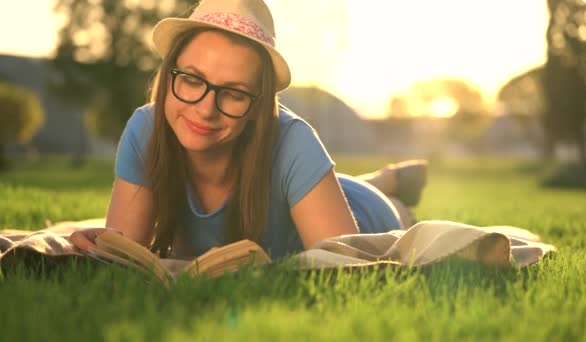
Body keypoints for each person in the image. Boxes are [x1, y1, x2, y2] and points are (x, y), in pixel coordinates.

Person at [69, 0, 427, 259]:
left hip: (367, 212)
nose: (205, 109)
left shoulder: (294, 141)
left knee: (363, 196)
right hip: (305, 187)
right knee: (328, 182)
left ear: (258, 104)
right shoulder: (145, 130)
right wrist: (103, 247)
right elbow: (127, 251)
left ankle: (388, 188)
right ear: (169, 72)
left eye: (235, 93)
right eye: (192, 80)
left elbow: (345, 262)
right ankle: (385, 176)